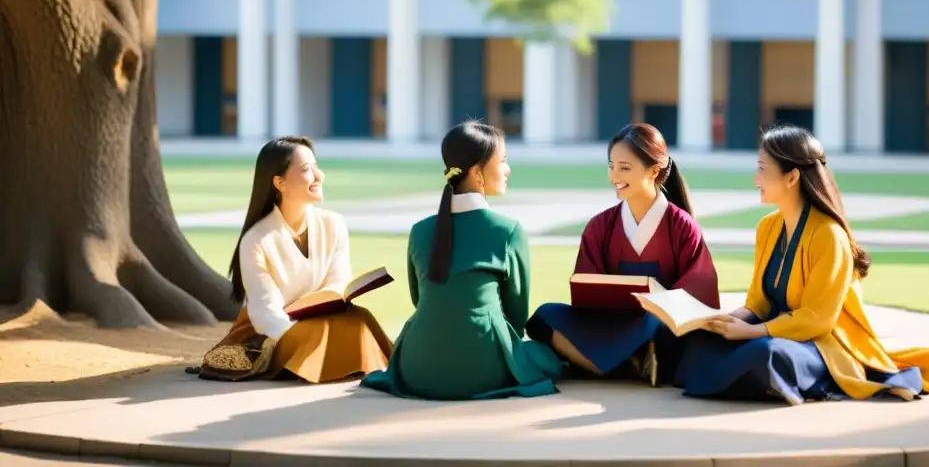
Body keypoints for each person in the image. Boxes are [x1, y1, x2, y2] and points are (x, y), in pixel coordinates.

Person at [675, 123, 929, 405]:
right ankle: (760, 381)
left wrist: (752, 332)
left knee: (768, 354)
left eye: (762, 169)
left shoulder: (829, 235)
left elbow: (818, 319)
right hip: (770, 332)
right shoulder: (768, 227)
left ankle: (783, 379)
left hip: (820, 344)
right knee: (701, 340)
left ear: (791, 177)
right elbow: (758, 304)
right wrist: (725, 320)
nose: (756, 179)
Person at [360, 120, 563, 400]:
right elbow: (516, 314)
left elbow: (420, 299)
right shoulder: (508, 230)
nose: (508, 169)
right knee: (548, 357)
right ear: (478, 172)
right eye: (502, 161)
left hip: (417, 366)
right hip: (482, 369)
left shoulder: (420, 230)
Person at [525, 123, 721, 386]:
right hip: (610, 323)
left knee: (652, 322)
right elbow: (586, 287)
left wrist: (659, 304)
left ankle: (608, 363)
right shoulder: (600, 225)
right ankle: (632, 365)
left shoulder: (681, 225)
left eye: (624, 168)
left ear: (654, 170)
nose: (614, 175)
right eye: (611, 166)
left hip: (659, 329)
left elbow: (699, 295)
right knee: (545, 316)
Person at [199, 136, 393, 383]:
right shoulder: (257, 239)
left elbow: (339, 280)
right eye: (306, 170)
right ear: (279, 182)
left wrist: (330, 305)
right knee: (318, 334)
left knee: (360, 318)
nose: (318, 176)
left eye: (316, 167)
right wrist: (298, 333)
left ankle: (335, 358)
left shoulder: (333, 223)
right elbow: (265, 310)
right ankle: (325, 360)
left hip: (321, 317)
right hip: (274, 328)